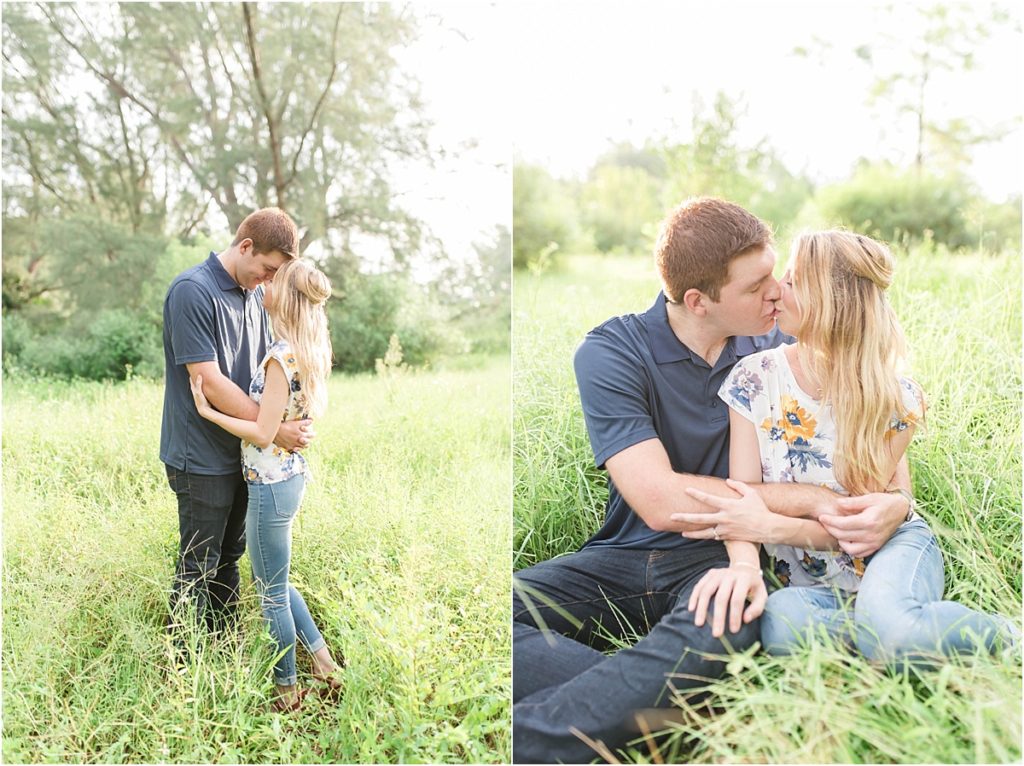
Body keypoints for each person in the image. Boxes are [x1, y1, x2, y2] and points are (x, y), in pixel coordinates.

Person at [512, 199, 914, 764]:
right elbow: (660, 504)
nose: (776, 292)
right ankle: (661, 710)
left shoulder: (781, 347)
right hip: (624, 553)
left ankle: (539, 734)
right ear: (699, 302)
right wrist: (815, 499)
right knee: (504, 607)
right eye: (756, 287)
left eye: (776, 274)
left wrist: (897, 503)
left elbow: (879, 434)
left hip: (725, 553)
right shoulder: (612, 352)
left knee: (731, 621)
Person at [674, 230, 1017, 661]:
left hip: (886, 547)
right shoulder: (753, 379)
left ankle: (1004, 636)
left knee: (892, 629)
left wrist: (774, 528)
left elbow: (857, 530)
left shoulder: (893, 397)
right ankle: (891, 636)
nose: (778, 289)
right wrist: (751, 546)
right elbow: (746, 497)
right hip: (808, 575)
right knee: (780, 625)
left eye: (795, 281)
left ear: (833, 300)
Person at [190, 256, 343, 711]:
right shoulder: (308, 347)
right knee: (274, 578)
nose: (266, 285)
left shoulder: (281, 357)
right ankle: (323, 662)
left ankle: (286, 690)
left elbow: (261, 430)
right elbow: (291, 420)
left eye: (275, 281)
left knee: (270, 592)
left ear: (286, 295)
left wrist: (208, 412)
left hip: (271, 483)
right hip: (287, 478)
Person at [161, 208, 313, 638]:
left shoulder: (256, 296)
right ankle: (182, 663)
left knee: (230, 556)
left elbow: (277, 373)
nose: (268, 281)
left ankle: (222, 649)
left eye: (275, 275)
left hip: (246, 452)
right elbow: (207, 380)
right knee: (198, 564)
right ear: (245, 246)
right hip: (201, 453)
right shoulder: (193, 291)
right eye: (266, 269)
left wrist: (293, 421)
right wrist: (274, 429)